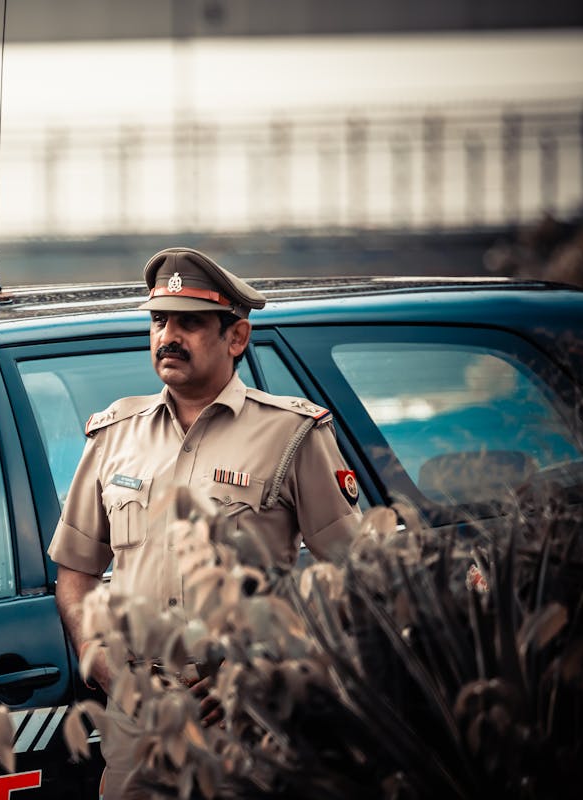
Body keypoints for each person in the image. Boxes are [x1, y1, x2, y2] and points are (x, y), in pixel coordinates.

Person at [47, 247, 363, 798]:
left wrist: (264, 668)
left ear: (235, 338)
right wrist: (98, 658)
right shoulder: (114, 435)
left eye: (190, 322)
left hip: (248, 721)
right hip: (138, 720)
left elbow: (356, 577)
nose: (168, 336)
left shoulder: (292, 435)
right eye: (158, 320)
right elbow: (76, 571)